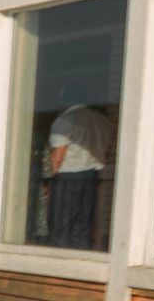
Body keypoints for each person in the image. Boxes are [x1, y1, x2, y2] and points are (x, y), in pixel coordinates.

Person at [46, 98, 114, 249]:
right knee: (83, 228)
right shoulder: (102, 120)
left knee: (61, 228)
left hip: (68, 179)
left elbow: (56, 159)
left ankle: (59, 265)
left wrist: (46, 183)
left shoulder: (65, 121)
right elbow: (106, 151)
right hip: (94, 177)